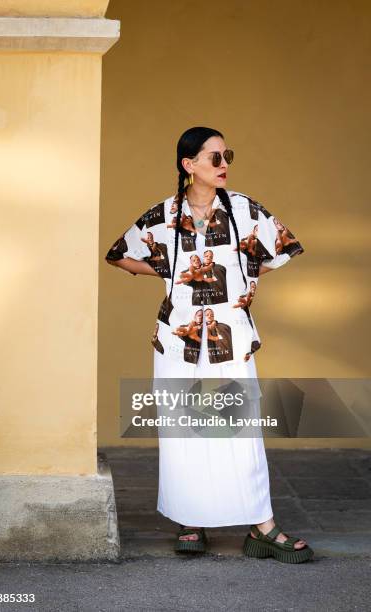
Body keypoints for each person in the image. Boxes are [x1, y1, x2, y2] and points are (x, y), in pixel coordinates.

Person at [105, 126, 313, 563]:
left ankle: (262, 527)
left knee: (240, 430)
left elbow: (281, 249)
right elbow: (120, 253)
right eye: (214, 157)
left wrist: (243, 280)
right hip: (177, 340)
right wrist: (165, 274)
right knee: (184, 430)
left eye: (227, 156)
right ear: (189, 165)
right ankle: (190, 521)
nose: (224, 165)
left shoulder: (243, 209)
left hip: (230, 339)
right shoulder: (163, 215)